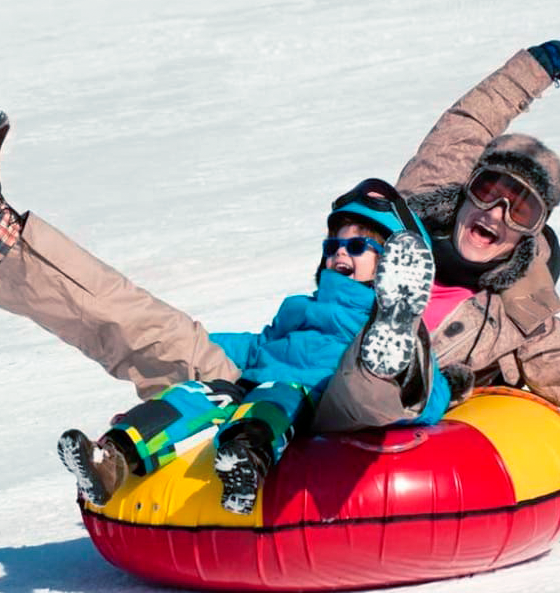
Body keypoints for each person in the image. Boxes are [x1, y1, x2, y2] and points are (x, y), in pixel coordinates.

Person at [0, 34, 560, 509]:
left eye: (519, 209)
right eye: (493, 189)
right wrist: (549, 62)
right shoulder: (425, 196)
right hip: (283, 358)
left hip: (357, 406)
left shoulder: (525, 324)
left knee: (381, 380)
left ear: (534, 232)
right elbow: (473, 112)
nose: (492, 212)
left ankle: (391, 332)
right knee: (158, 335)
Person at [55, 180, 450, 514]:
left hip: (320, 399)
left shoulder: (365, 324)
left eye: (358, 247)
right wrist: (196, 344)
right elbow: (256, 346)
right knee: (193, 396)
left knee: (275, 395)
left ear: (389, 269)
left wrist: (427, 384)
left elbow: (433, 396)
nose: (340, 253)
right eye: (333, 247)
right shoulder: (300, 310)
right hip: (250, 388)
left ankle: (247, 462)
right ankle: (111, 461)